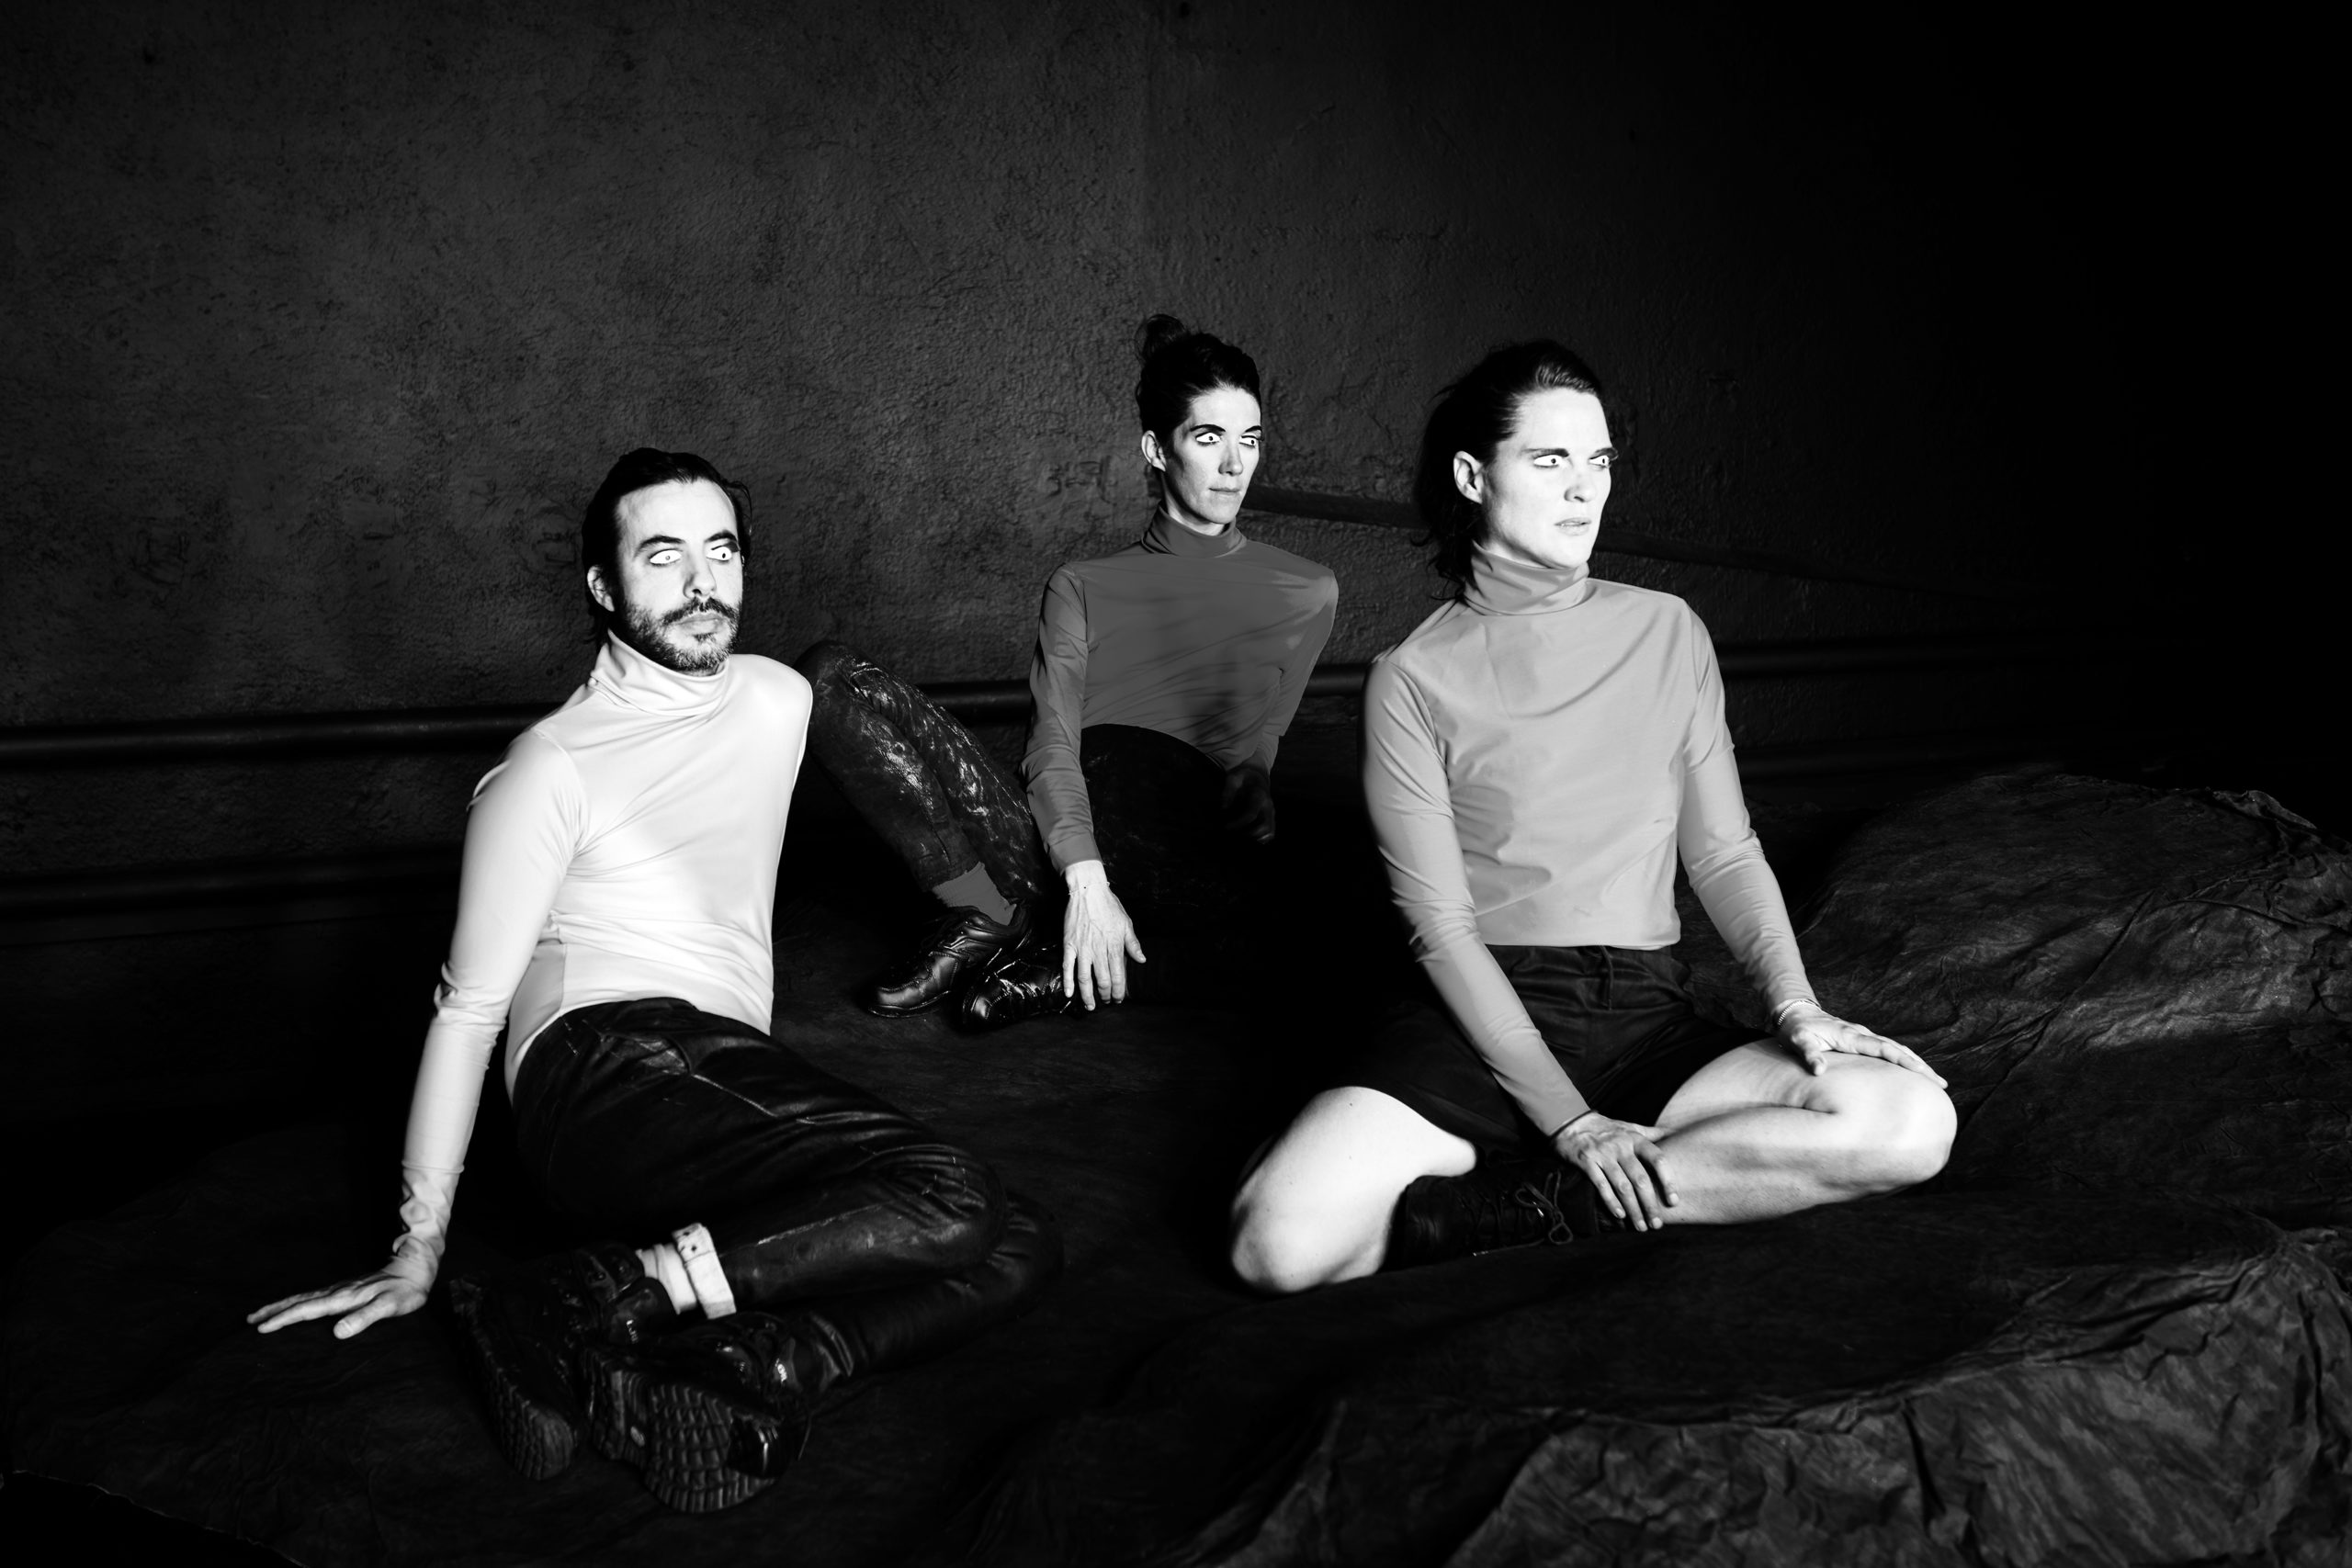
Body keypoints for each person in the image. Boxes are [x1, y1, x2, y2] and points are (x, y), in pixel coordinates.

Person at [247, 449, 1060, 1513]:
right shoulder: (551, 766)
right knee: (949, 1196)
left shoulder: (773, 697)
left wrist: (989, 907)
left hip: (710, 1079)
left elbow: (898, 784)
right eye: (663, 556)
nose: (701, 583)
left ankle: (758, 1361)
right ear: (602, 585)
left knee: (1017, 1236)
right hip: (605, 1062)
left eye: (720, 552)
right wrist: (418, 1248)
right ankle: (587, 1296)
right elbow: (468, 1011)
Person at [1228, 343, 1956, 1292]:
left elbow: (1724, 851)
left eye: (1599, 461)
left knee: (1908, 1123)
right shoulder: (1411, 678)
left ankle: (1521, 1210)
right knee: (1275, 1247)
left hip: (1640, 1012)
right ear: (1472, 477)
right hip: (1477, 1013)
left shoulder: (1667, 630)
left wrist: (1796, 1005)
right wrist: (1569, 1121)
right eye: (1550, 460)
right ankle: (1568, 1170)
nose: (1585, 489)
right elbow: (1438, 926)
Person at [797, 315, 1337, 1026]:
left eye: (1251, 439)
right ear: (1157, 449)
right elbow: (1052, 745)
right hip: (1066, 847)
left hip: (1186, 862)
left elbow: (1263, 735)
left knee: (1327, 912)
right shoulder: (1083, 586)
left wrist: (1256, 776)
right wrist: (1086, 882)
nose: (1235, 464)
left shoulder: (1308, 591)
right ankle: (988, 912)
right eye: (1209, 438)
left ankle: (1078, 958)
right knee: (829, 678)